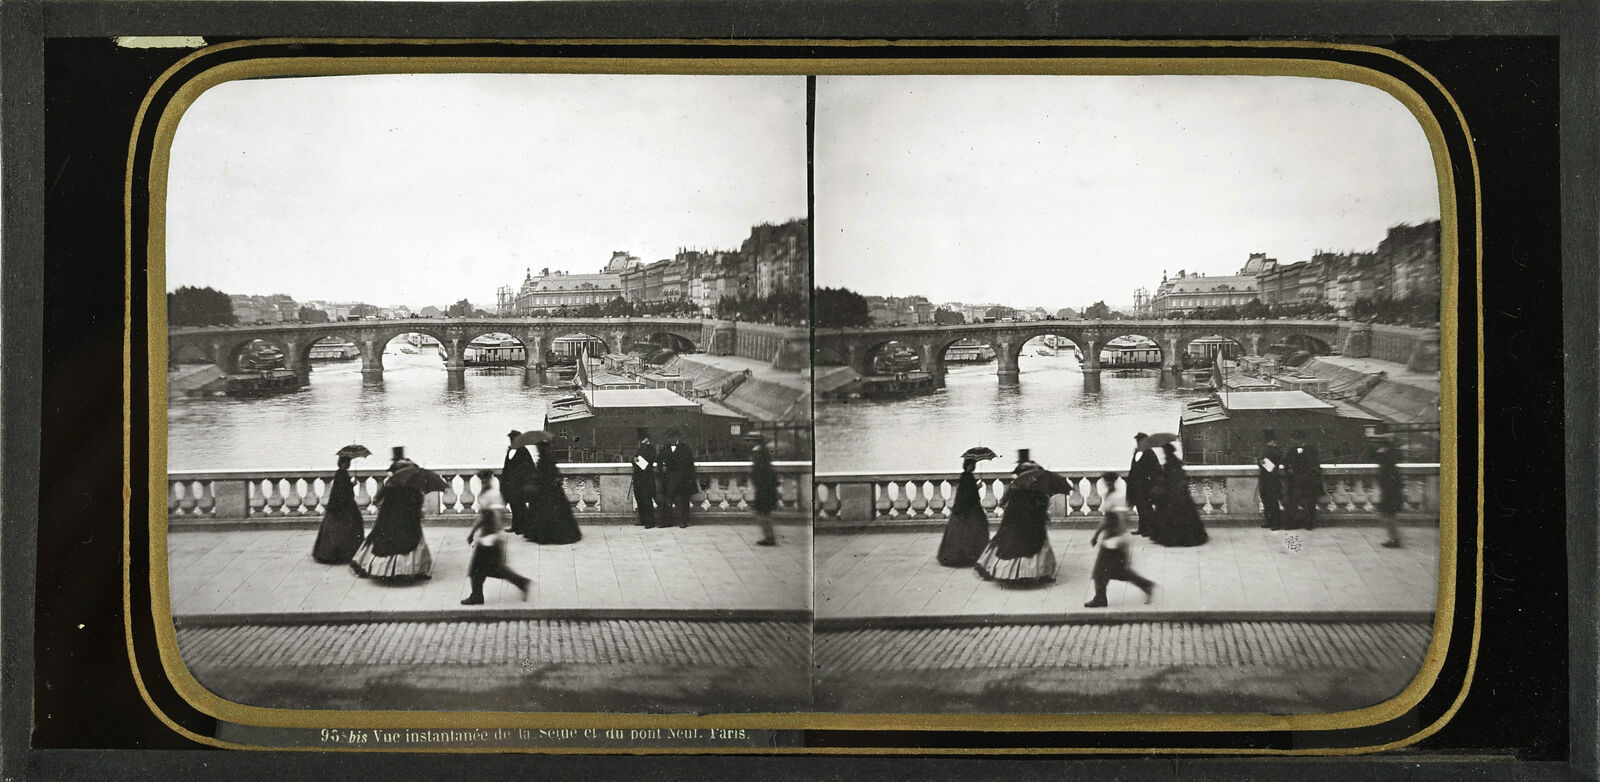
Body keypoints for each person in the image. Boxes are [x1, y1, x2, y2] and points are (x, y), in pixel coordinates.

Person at [973, 450, 1059, 586]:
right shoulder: (1034, 487)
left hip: (1015, 522)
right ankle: (1038, 573)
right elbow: (1039, 504)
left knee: (1012, 545)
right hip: (1031, 522)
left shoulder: (1016, 486)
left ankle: (1012, 573)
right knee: (1036, 546)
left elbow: (1004, 503)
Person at [350, 447, 434, 580]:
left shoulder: (392, 482)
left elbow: (381, 499)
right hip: (408, 517)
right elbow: (416, 499)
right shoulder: (411, 480)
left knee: (387, 541)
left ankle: (386, 569)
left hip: (390, 517)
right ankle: (415, 569)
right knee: (412, 542)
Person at [462, 469, 530, 605]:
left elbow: (498, 516)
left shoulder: (492, 495)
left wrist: (492, 535)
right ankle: (522, 583)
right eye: (482, 480)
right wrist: (474, 533)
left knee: (477, 569)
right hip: (488, 536)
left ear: (489, 480)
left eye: (485, 480)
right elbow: (483, 516)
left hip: (490, 538)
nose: (483, 483)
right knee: (495, 569)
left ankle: (477, 596)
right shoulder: (486, 494)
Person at [1084, 508, 1156, 607]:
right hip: (1119, 539)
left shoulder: (1112, 503)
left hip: (1111, 541)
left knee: (1100, 572)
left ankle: (1100, 598)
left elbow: (1108, 519)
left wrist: (1096, 535)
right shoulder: (1119, 502)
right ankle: (1146, 585)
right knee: (1120, 571)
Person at [936, 448, 993, 567]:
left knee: (962, 532)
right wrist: (976, 488)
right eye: (973, 465)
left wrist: (976, 487)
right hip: (969, 508)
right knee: (972, 530)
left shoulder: (966, 476)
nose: (974, 467)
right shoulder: (967, 477)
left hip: (965, 508)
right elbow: (968, 494)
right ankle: (970, 555)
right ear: (968, 465)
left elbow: (966, 492)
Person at [311, 449, 365, 564]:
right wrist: (351, 485)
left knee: (335, 529)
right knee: (347, 527)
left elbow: (340, 490)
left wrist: (350, 484)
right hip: (344, 506)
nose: (349, 464)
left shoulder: (340, 473)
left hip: (338, 505)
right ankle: (343, 553)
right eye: (348, 462)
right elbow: (344, 492)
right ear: (343, 463)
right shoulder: (343, 474)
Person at [526, 440, 582, 544]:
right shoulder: (547, 458)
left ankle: (545, 535)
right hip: (550, 491)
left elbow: (546, 475)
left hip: (547, 491)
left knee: (546, 513)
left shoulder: (544, 460)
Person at [1154, 442, 1209, 547]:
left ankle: (1176, 539)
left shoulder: (1170, 462)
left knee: (1175, 516)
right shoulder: (1174, 461)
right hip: (1178, 493)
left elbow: (1172, 478)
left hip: (1174, 494)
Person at [1284, 430, 1324, 530]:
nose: (1297, 441)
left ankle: (1301, 524)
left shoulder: (1301, 450)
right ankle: (1303, 524)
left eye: (1297, 439)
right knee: (1301, 503)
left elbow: (1316, 465)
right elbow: (1286, 462)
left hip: (1303, 480)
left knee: (1303, 503)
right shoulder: (1306, 450)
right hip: (1303, 480)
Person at [659, 427, 698, 529]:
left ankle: (683, 521)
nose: (671, 439)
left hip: (683, 479)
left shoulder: (685, 448)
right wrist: (661, 468)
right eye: (669, 438)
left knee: (683, 501)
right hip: (669, 478)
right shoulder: (664, 449)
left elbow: (690, 465)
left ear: (677, 437)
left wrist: (689, 479)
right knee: (667, 500)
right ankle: (667, 521)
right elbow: (659, 461)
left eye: (673, 437)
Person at [1127, 433, 1163, 538]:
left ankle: (1150, 529)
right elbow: (1133, 469)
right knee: (1140, 507)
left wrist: (1152, 483)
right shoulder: (1137, 453)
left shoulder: (1149, 453)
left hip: (1146, 486)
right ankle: (1142, 527)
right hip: (1136, 486)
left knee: (1147, 508)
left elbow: (1156, 470)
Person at [501, 430, 535, 537]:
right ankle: (515, 526)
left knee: (520, 505)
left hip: (520, 484)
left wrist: (524, 480)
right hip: (510, 484)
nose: (512, 441)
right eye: (511, 439)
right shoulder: (510, 451)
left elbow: (530, 468)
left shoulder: (523, 451)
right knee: (513, 505)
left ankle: (523, 527)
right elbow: (506, 467)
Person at [748, 436, 780, 546]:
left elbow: (757, 476)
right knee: (765, 515)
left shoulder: (759, 455)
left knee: (763, 515)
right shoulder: (764, 456)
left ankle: (769, 537)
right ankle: (769, 536)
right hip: (767, 491)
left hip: (763, 492)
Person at [1374, 437, 1405, 548]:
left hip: (1390, 494)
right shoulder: (1390, 463)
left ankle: (1394, 539)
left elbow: (1386, 481)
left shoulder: (1386, 466)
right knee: (1389, 516)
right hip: (1392, 493)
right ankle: (1394, 538)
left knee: (1387, 516)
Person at [631, 430, 660, 528]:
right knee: (639, 499)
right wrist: (634, 460)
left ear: (648, 439)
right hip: (638, 477)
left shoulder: (650, 449)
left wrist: (637, 458)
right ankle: (643, 520)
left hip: (646, 478)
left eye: (643, 439)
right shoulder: (641, 448)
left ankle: (650, 522)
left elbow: (648, 461)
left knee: (647, 500)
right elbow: (634, 457)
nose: (641, 441)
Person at [1258, 433, 1285, 530]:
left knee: (1270, 502)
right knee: (1269, 501)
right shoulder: (1275, 450)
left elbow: (1261, 462)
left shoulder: (1269, 450)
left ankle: (1274, 523)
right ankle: (1271, 522)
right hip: (1270, 478)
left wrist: (1262, 462)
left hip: (1269, 479)